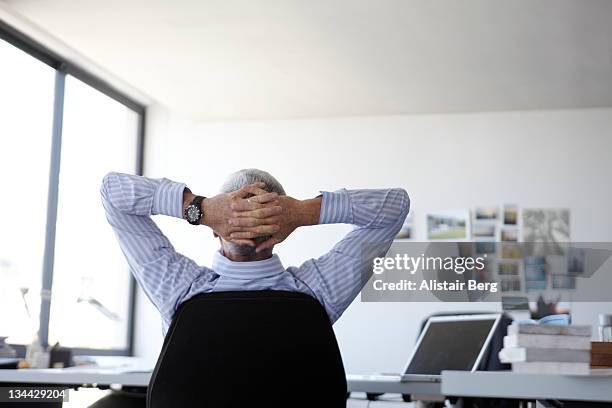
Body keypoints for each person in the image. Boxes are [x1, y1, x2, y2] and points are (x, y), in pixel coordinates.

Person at [91, 168, 409, 407]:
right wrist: (303, 211)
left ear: (215, 231)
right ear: (283, 231)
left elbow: (111, 192)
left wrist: (198, 208)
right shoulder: (318, 290)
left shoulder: (177, 287)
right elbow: (394, 206)